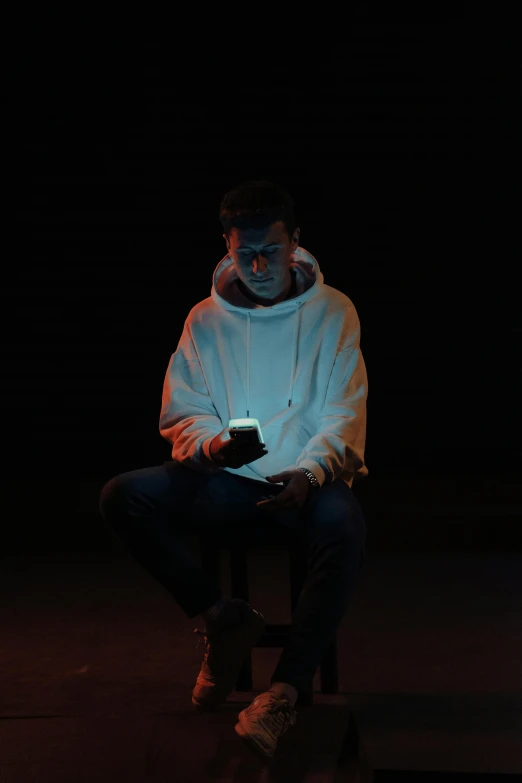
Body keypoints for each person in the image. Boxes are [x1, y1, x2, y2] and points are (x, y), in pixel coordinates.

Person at [98, 179, 368, 761]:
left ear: (296, 243)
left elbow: (344, 410)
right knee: (124, 496)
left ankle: (283, 692)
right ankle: (221, 619)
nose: (258, 265)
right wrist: (215, 448)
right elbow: (183, 410)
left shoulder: (333, 310)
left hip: (304, 480)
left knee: (345, 529)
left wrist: (314, 472)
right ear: (227, 245)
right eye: (244, 253)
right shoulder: (205, 319)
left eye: (271, 250)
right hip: (229, 481)